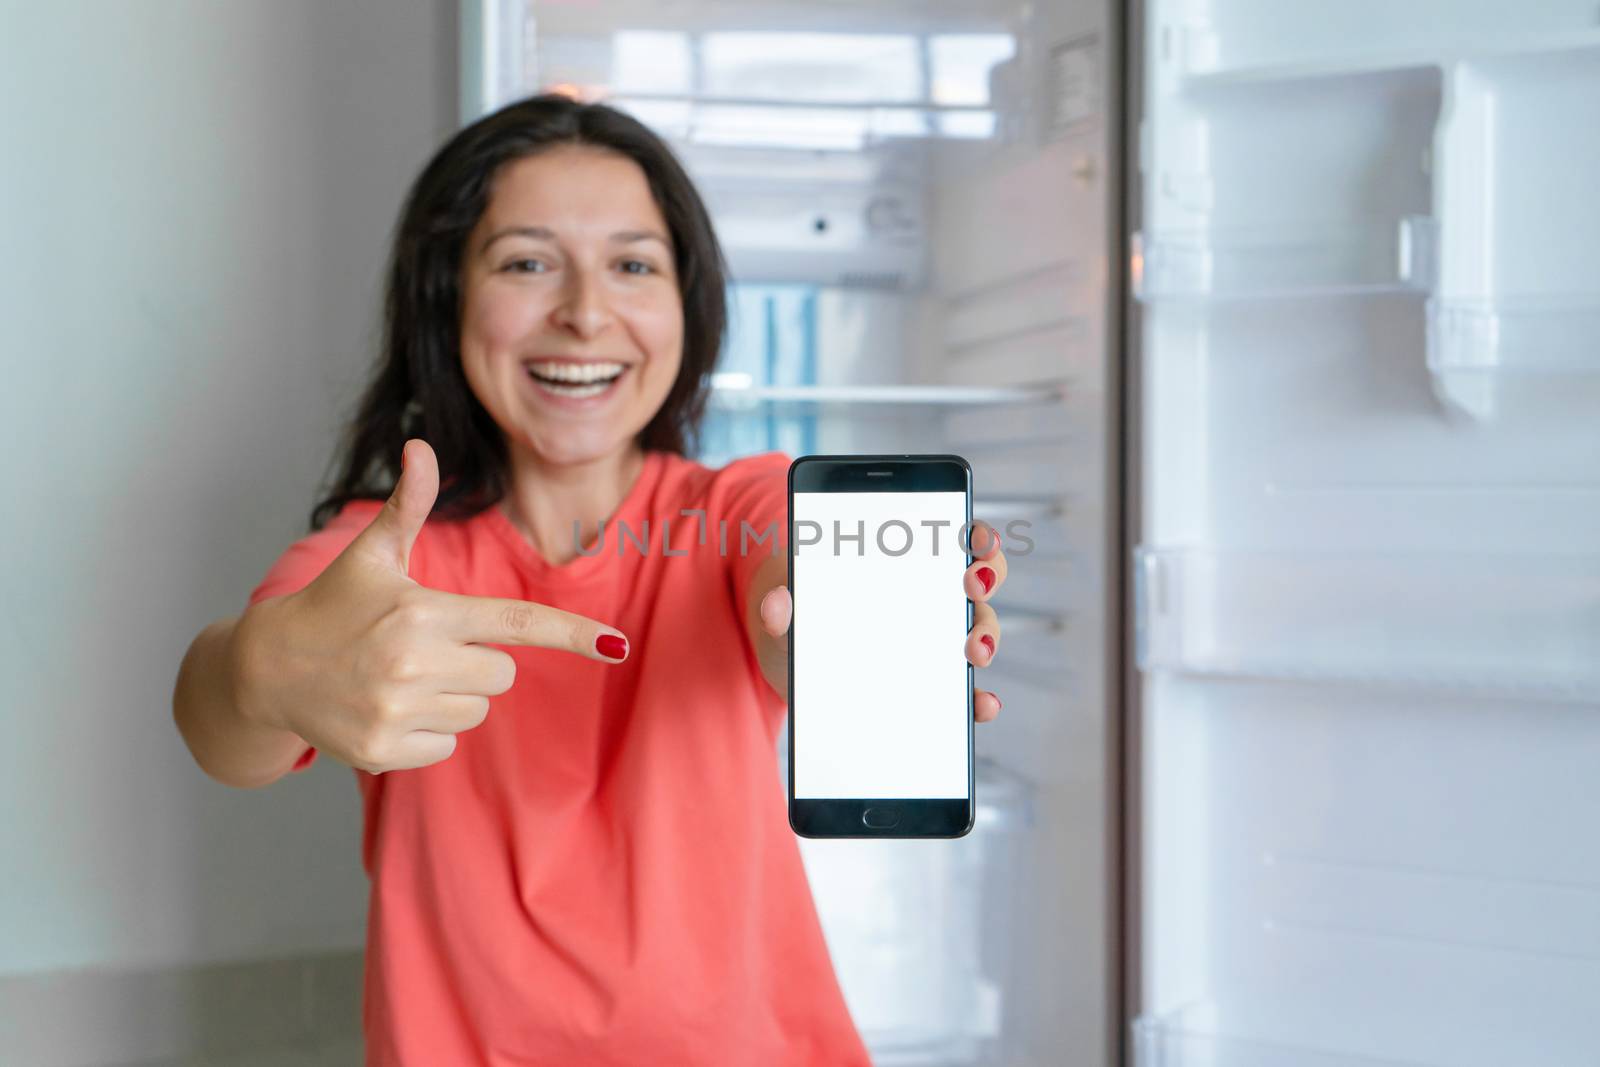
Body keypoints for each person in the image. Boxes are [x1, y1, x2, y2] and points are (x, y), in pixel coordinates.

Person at [172, 93, 1010, 1066]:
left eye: (632, 265)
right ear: (447, 297)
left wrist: (832, 614)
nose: (582, 312)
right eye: (527, 262)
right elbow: (222, 726)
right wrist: (260, 672)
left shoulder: (737, 503)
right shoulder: (383, 553)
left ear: (685, 307)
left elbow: (787, 557)